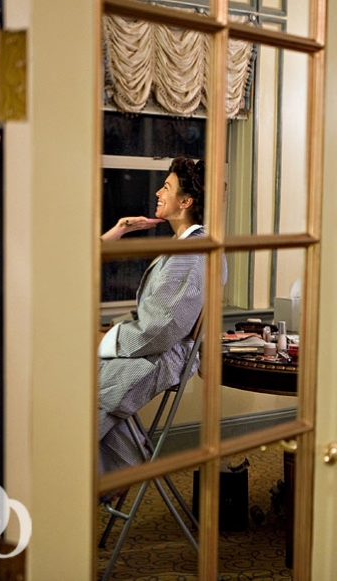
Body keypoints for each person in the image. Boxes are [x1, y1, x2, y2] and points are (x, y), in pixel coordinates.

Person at [98, 156, 211, 474]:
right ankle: (119, 466)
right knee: (82, 386)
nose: (158, 193)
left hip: (160, 354)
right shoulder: (183, 245)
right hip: (150, 346)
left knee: (87, 395)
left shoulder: (192, 252)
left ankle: (106, 475)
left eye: (166, 187)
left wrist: (114, 340)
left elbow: (164, 325)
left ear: (185, 201)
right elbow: (155, 315)